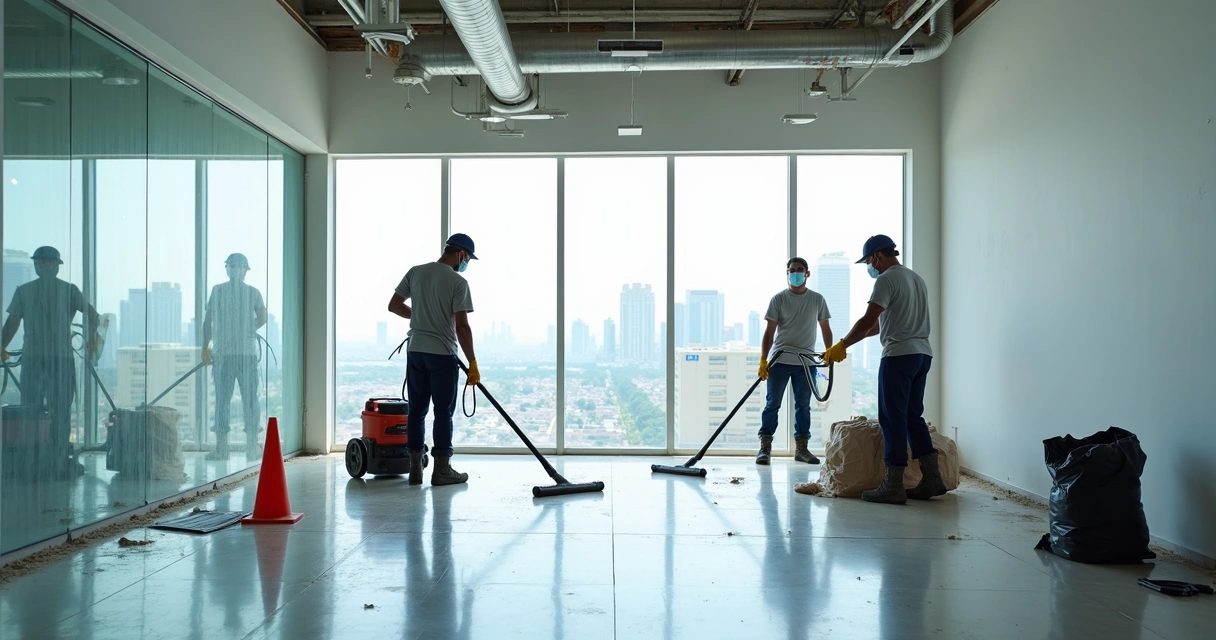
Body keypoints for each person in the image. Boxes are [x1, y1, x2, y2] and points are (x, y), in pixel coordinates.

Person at [822, 234, 944, 504]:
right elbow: (879, 326)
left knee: (892, 418)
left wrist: (841, 345)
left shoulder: (886, 279)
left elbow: (868, 319)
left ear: (877, 256)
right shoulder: (915, 279)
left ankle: (893, 484)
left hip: (898, 356)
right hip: (922, 355)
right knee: (913, 417)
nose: (870, 266)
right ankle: (933, 478)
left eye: (868, 261)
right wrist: (851, 341)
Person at [388, 233, 480, 487]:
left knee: (416, 411)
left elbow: (394, 305)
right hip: (442, 355)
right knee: (443, 413)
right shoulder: (458, 283)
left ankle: (415, 470)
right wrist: (472, 362)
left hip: (416, 351)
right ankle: (441, 470)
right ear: (461, 254)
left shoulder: (416, 272)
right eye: (468, 258)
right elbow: (462, 326)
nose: (467, 263)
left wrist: (420, 318)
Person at [1, 246, 101, 474]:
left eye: (45, 263)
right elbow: (12, 324)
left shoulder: (29, 291)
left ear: (56, 266)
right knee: (51, 412)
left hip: (40, 359)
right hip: (55, 360)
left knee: (39, 411)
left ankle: (42, 461)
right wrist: (91, 340)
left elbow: (12, 324)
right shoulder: (63, 290)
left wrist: (3, 346)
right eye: (39, 263)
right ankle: (53, 460)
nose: (41, 266)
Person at [756, 257, 832, 466]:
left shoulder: (817, 299)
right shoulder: (778, 299)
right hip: (780, 360)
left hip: (806, 362)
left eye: (800, 270)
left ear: (807, 273)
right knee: (772, 404)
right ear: (787, 273)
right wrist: (763, 360)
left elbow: (825, 328)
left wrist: (829, 352)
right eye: (792, 270)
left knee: (803, 406)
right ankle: (765, 448)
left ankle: (802, 449)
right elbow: (769, 332)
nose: (795, 273)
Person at [201, 253, 267, 460]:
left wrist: (206, 347)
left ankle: (227, 449)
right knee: (244, 401)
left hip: (231, 355)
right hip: (237, 355)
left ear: (245, 270)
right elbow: (262, 317)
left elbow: (208, 321)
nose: (234, 269)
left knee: (229, 401)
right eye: (232, 266)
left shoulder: (224, 291)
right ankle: (248, 448)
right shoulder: (237, 292)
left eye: (237, 266)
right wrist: (206, 347)